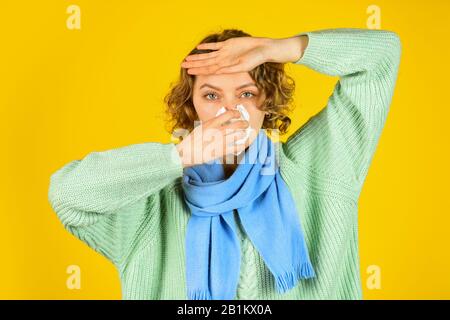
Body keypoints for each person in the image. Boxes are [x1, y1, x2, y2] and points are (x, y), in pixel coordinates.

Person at [48, 27, 401, 300]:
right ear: (192, 108)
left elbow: (381, 57)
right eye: (211, 95)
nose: (229, 110)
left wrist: (280, 48)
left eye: (247, 93)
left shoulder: (317, 167)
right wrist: (180, 156)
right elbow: (68, 195)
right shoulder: (152, 204)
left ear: (268, 103)